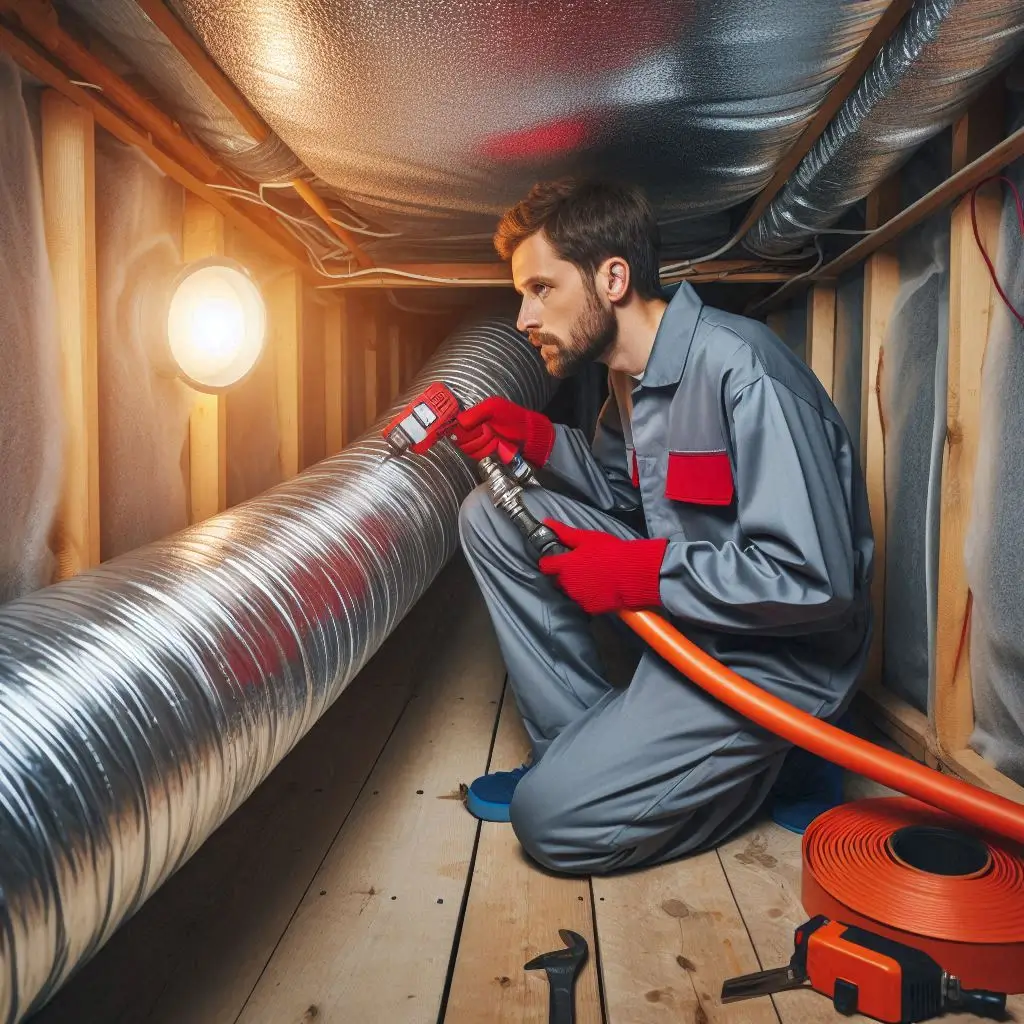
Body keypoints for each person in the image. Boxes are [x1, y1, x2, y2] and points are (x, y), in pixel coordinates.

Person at [452, 178, 874, 876]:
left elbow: (816, 581)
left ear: (612, 277)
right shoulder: (630, 375)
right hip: (696, 615)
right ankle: (582, 747)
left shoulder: (744, 372)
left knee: (550, 822)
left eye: (541, 289)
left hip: (776, 654)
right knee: (490, 515)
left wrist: (638, 574)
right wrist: (537, 439)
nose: (525, 317)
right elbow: (623, 496)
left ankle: (773, 762)